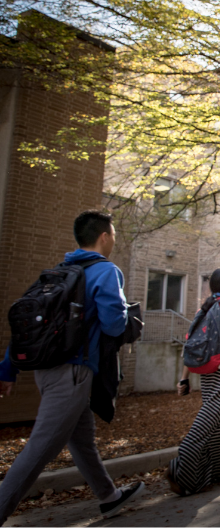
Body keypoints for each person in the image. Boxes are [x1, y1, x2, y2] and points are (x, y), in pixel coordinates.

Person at [0, 210, 144, 524]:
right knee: (40, 448)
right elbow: (113, 325)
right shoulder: (106, 271)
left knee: (81, 438)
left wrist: (7, 369)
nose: (114, 240)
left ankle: (108, 496)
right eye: (114, 235)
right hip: (75, 372)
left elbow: (30, 325)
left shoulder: (58, 272)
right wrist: (128, 316)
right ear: (105, 236)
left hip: (45, 371)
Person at [167, 268, 220, 496]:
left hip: (207, 374)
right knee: (209, 423)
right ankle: (181, 474)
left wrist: (184, 378)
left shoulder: (205, 309)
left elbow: (191, 347)